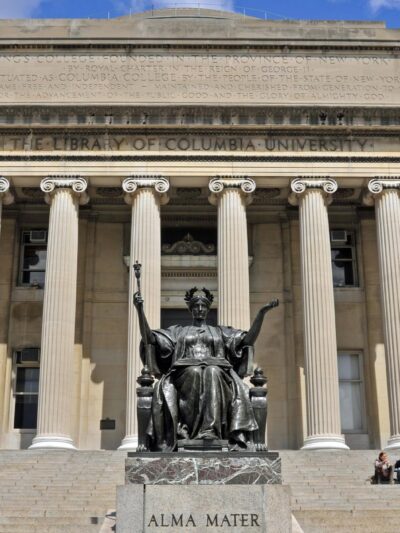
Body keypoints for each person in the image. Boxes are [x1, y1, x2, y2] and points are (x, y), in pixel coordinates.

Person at [134, 286, 279, 451]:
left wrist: (261, 314)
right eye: (196, 306)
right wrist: (139, 310)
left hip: (217, 374)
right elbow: (149, 338)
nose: (200, 309)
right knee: (195, 372)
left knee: (212, 371)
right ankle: (189, 430)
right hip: (184, 373)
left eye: (203, 306)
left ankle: (209, 431)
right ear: (190, 309)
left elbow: (247, 341)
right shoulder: (178, 331)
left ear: (208, 308)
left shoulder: (219, 331)